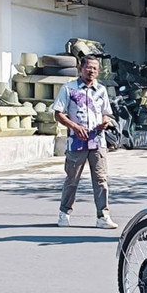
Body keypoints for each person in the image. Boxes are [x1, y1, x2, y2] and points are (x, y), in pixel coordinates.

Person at [54, 55, 118, 229]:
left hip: (97, 141)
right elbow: (58, 113)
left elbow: (106, 112)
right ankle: (64, 213)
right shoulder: (69, 88)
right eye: (88, 67)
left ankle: (102, 216)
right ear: (81, 69)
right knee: (72, 179)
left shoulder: (101, 90)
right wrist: (74, 126)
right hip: (76, 142)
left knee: (101, 180)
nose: (91, 71)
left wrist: (105, 121)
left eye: (95, 68)